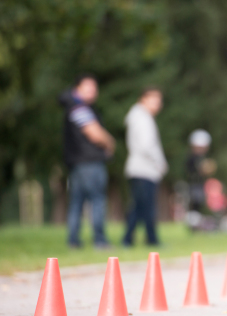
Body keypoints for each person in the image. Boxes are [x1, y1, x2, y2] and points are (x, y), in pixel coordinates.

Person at [59, 74, 115, 249]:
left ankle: (74, 241)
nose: (93, 91)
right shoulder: (79, 108)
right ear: (77, 89)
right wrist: (110, 142)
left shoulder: (73, 107)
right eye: (88, 87)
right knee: (96, 201)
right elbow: (94, 133)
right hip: (89, 162)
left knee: (77, 202)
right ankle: (99, 240)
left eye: (94, 87)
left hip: (78, 163)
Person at [122, 87, 168, 247]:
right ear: (143, 99)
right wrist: (160, 162)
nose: (158, 104)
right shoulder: (142, 118)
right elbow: (147, 146)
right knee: (145, 207)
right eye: (154, 100)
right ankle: (149, 239)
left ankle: (130, 239)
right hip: (144, 169)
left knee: (139, 207)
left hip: (140, 169)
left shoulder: (138, 117)